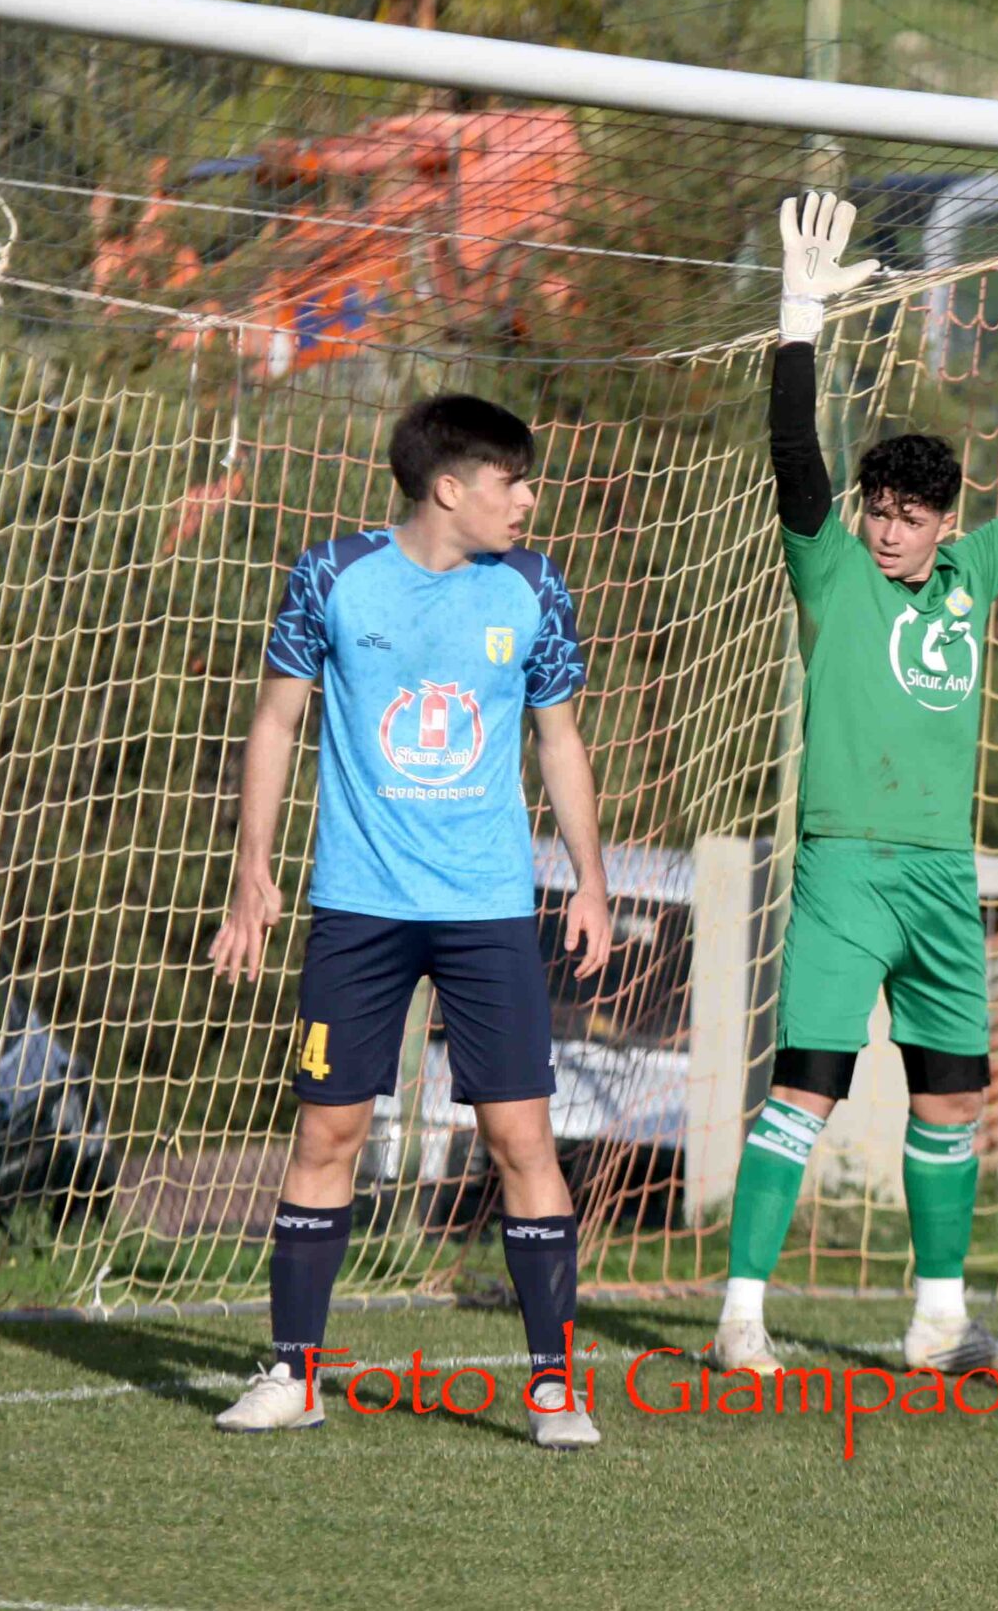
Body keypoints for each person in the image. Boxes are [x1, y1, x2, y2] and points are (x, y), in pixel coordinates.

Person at [708, 192, 998, 1378]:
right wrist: (798, 321)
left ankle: (940, 1322)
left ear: (945, 523)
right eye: (878, 513)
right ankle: (741, 1316)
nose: (888, 532)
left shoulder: (974, 574)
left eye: (908, 517)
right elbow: (795, 461)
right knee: (804, 1093)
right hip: (844, 870)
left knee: (951, 1100)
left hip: (944, 875)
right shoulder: (830, 570)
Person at [205, 394, 615, 1451]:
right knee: (326, 1132)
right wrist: (252, 872)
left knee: (521, 1139)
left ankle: (554, 1387)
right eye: (510, 482)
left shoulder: (533, 587)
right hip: (360, 908)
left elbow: (559, 738)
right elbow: (276, 720)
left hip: (487, 910)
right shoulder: (331, 576)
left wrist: (590, 880)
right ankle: (294, 1374)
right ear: (448, 487)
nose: (527, 501)